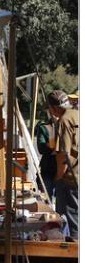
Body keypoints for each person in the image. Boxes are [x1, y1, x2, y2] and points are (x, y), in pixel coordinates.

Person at [48, 90, 79, 240]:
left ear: (54, 108)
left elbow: (63, 156)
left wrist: (58, 177)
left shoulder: (64, 120)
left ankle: (71, 259)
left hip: (70, 179)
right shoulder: (78, 114)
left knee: (69, 219)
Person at [34, 113, 58, 201]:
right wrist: (56, 148)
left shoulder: (66, 124)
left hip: (64, 170)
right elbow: (42, 148)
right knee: (46, 199)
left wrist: (51, 146)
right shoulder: (44, 127)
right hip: (48, 169)